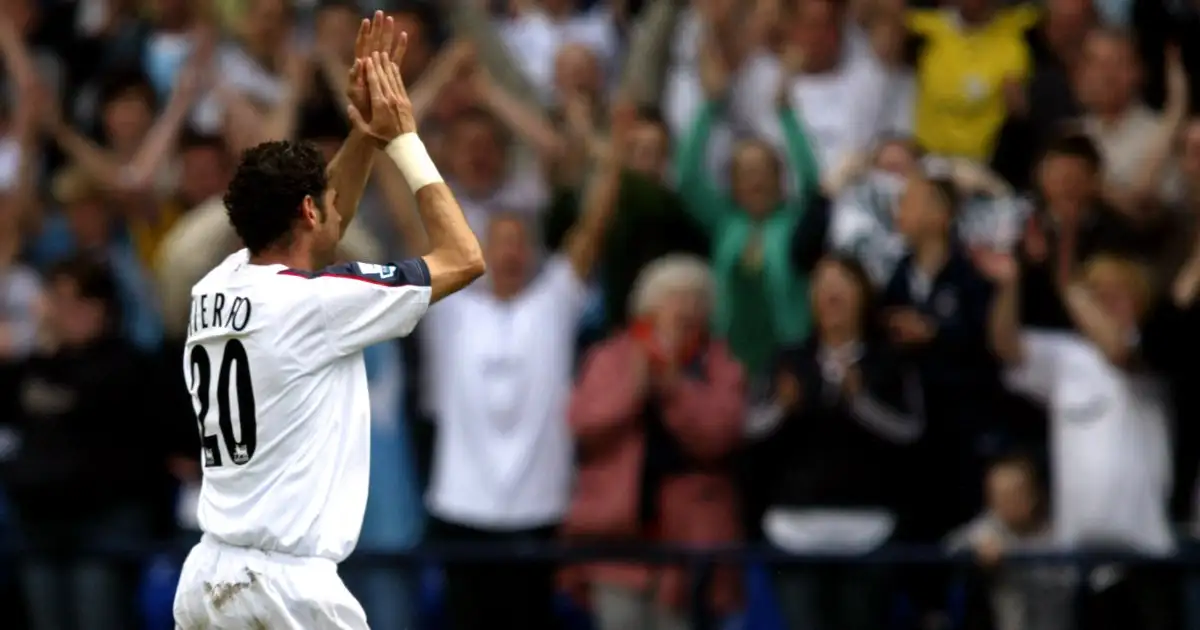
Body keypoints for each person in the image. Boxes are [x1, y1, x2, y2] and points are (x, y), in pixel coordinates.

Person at [171, 12, 485, 630]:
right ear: (308, 211)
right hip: (288, 590)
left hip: (209, 575)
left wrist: (361, 134)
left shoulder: (216, 286)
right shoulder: (317, 304)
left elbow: (324, 220)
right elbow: (464, 258)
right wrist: (403, 140)